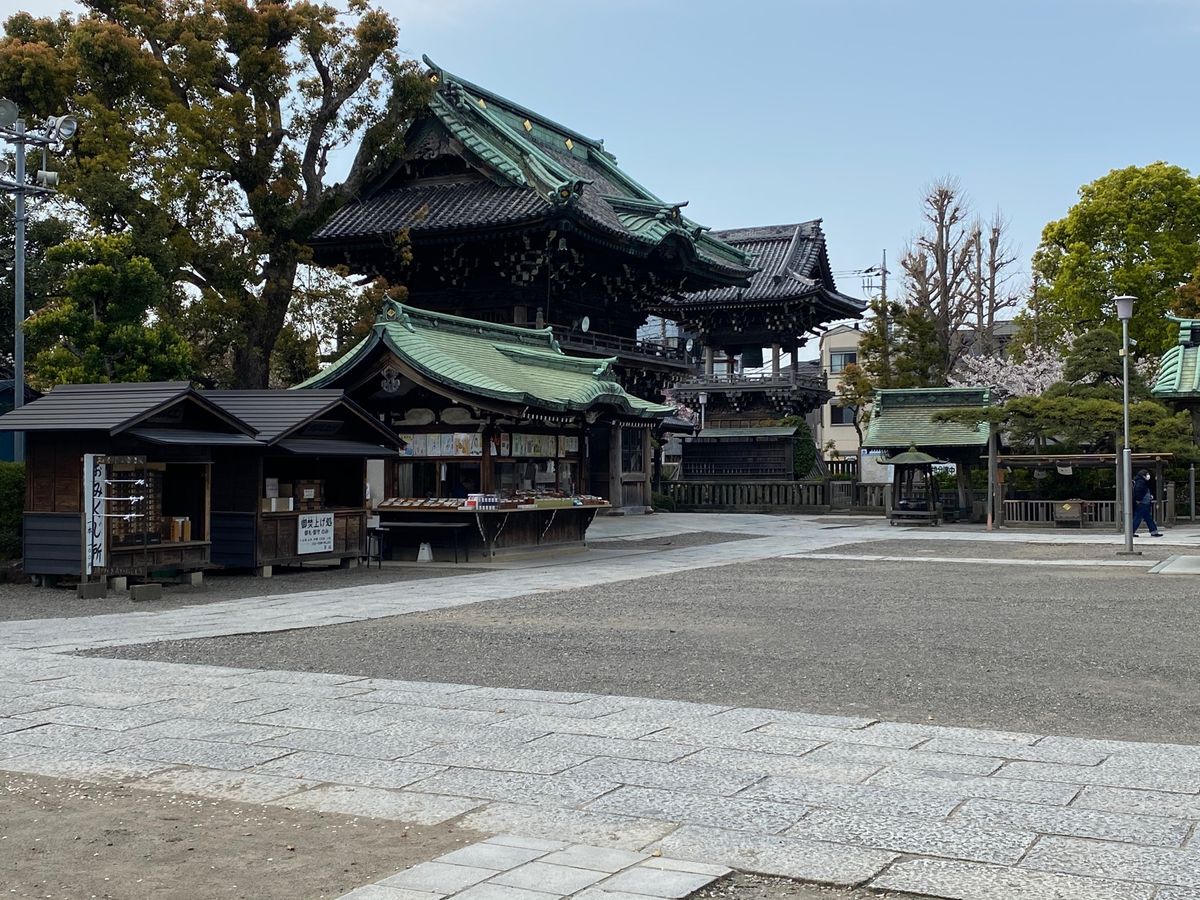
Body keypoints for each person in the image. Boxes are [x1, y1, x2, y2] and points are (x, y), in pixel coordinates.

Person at [1131, 468, 1162, 537]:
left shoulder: (1140, 481)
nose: (1148, 476)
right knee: (1138, 518)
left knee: (1146, 517)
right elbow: (1139, 492)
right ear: (1143, 475)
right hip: (1143, 502)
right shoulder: (1140, 482)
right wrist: (1139, 500)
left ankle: (1154, 531)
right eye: (1147, 474)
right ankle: (1131, 532)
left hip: (1144, 502)